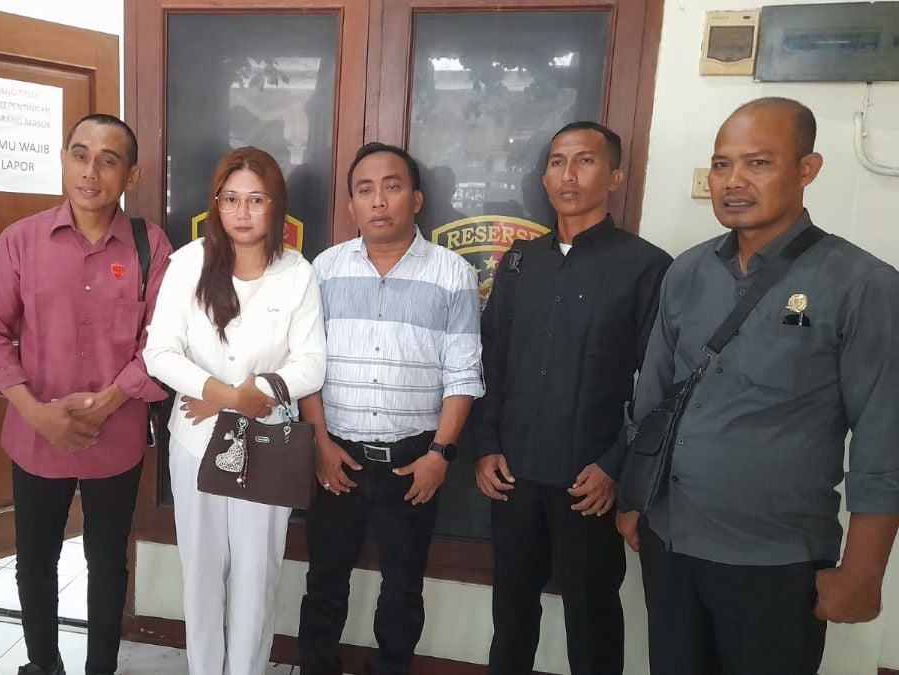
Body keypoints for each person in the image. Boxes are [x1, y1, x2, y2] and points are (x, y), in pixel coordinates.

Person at [615, 97, 899, 674]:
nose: (734, 181)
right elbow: (653, 397)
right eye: (722, 164)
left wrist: (864, 571)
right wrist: (633, 499)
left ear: (807, 169)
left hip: (774, 560)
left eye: (759, 163)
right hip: (671, 540)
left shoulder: (863, 285)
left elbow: (884, 438)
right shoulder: (687, 271)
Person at [468, 121, 671, 675]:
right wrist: (487, 446)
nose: (568, 175)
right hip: (513, 473)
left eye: (585, 161)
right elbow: (493, 358)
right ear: (544, 177)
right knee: (511, 614)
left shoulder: (646, 267)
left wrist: (615, 466)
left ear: (615, 177)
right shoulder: (520, 262)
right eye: (557, 162)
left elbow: (659, 384)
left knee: (593, 616)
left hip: (589, 482)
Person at [0, 114, 171, 675]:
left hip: (117, 434)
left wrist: (110, 400)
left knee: (107, 562)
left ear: (131, 173)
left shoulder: (150, 245)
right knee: (35, 560)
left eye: (108, 160)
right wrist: (35, 412)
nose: (90, 172)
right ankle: (43, 664)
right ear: (63, 160)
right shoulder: (21, 240)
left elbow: (163, 343)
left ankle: (100, 668)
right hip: (37, 433)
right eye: (80, 155)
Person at [297, 142, 484, 675]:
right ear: (351, 205)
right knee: (324, 581)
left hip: (414, 462)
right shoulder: (325, 269)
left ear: (416, 199)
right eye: (365, 190)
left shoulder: (451, 273)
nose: (378, 201)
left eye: (392, 186)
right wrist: (320, 444)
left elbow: (463, 372)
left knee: (403, 586)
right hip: (337, 456)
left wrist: (440, 454)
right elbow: (308, 365)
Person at [143, 146, 327, 674]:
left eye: (256, 199)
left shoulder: (297, 272)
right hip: (195, 440)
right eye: (230, 199)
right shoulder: (188, 263)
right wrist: (228, 397)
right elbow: (160, 353)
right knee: (201, 573)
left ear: (276, 206)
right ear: (216, 205)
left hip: (268, 443)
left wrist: (255, 392)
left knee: (256, 574)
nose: (242, 212)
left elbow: (311, 364)